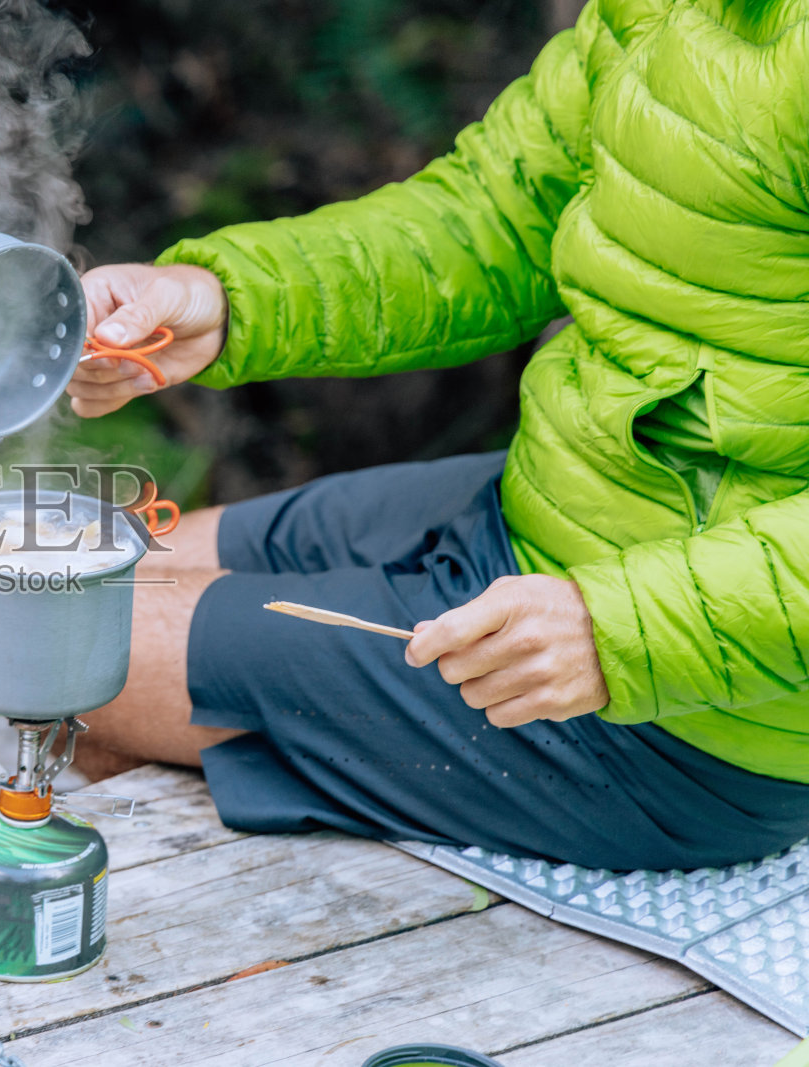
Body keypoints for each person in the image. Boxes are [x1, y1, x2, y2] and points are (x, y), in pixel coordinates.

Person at [65, 0, 809, 871]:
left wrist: (625, 627)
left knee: (66, 654)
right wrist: (229, 299)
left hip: (693, 713)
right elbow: (494, 216)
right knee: (81, 564)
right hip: (540, 513)